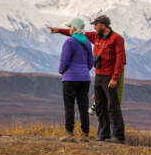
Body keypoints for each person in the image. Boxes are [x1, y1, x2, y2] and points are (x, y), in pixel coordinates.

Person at [49, 15, 126, 144]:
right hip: (98, 76)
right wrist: (58, 30)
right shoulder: (95, 37)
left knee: (113, 106)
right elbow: (77, 33)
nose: (94, 27)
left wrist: (115, 77)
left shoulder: (117, 39)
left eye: (96, 25)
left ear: (103, 25)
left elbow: (120, 60)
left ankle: (119, 136)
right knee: (100, 106)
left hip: (109, 76)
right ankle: (105, 134)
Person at [57, 18, 94, 142]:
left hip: (70, 78)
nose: (69, 29)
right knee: (83, 107)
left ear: (74, 28)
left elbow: (65, 60)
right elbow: (91, 61)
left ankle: (69, 134)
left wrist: (62, 71)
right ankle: (85, 134)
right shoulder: (87, 42)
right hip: (84, 78)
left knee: (69, 106)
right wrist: (84, 70)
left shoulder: (69, 42)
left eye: (70, 27)